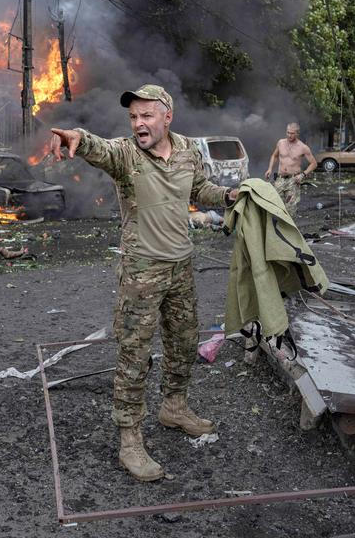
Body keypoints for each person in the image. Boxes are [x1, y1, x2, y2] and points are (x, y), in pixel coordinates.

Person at [46, 84, 237, 482]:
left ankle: (174, 407)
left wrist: (230, 195)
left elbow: (199, 189)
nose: (138, 124)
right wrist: (76, 138)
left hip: (181, 266)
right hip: (142, 270)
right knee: (135, 355)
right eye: (133, 117)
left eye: (146, 115)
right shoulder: (126, 154)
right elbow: (99, 148)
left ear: (168, 116)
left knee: (184, 343)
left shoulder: (187, 149)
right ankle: (130, 439)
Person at [264, 122, 317, 218]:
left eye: (292, 133)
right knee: (276, 207)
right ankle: (276, 227)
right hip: (280, 180)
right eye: (288, 132)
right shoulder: (281, 143)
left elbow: (314, 164)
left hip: (293, 181)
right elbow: (274, 156)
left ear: (297, 133)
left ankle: (289, 226)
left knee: (290, 210)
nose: (289, 135)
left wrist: (303, 175)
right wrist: (270, 168)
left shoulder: (303, 147)